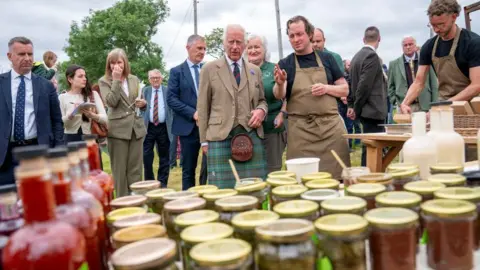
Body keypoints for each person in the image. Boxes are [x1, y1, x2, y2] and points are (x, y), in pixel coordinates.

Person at [273, 16, 350, 179]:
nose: (296, 39)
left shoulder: (327, 59)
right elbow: (279, 95)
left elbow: (345, 89)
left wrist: (327, 88)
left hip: (330, 131)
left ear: (309, 34)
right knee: (301, 181)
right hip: (301, 133)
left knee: (337, 179)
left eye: (299, 34)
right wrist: (280, 83)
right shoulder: (286, 63)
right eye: (292, 36)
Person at [198, 24, 268, 188]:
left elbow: (262, 100)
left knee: (254, 189)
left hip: (251, 136)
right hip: (219, 137)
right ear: (224, 43)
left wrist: (261, 111)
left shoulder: (254, 70)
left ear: (244, 44)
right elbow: (202, 107)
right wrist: (203, 142)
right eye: (231, 42)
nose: (235, 47)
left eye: (239, 42)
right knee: (222, 192)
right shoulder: (209, 69)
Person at [0, 37, 64, 185]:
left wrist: (58, 151)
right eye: (22, 54)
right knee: (8, 205)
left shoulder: (46, 86)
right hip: (5, 157)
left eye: (30, 54)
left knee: (39, 201)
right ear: (9, 56)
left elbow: (57, 122)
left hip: (38, 152)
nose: (27, 58)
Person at [400, 0, 480, 112]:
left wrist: (445, 105)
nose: (437, 29)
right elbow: (418, 82)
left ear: (454, 17)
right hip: (445, 105)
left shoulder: (473, 43)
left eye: (441, 24)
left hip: (473, 105)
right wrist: (405, 103)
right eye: (433, 25)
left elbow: (477, 85)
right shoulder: (429, 46)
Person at [99, 48, 147, 197]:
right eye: (112, 63)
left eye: (119, 62)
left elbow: (139, 100)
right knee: (120, 172)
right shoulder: (104, 81)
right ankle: (122, 204)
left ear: (125, 63)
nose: (115, 66)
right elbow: (111, 102)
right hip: (118, 131)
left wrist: (143, 104)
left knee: (136, 170)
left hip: (135, 129)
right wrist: (117, 81)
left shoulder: (134, 79)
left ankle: (137, 203)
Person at [167, 34, 208, 190]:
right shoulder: (176, 72)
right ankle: (190, 203)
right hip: (188, 128)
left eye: (204, 49)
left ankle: (206, 199)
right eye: (199, 48)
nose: (202, 52)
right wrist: (193, 113)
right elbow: (171, 99)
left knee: (209, 169)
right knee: (188, 170)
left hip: (208, 128)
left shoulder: (208, 69)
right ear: (188, 47)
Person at [246, 34, 287, 173]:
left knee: (272, 170)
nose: (253, 50)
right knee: (251, 171)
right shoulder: (240, 70)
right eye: (249, 47)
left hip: (271, 127)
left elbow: (279, 94)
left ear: (264, 50)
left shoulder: (274, 68)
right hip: (248, 129)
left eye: (257, 47)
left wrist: (280, 84)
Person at [348, 26, 388, 166]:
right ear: (379, 39)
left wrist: (352, 105)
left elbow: (351, 83)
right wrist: (356, 108)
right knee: (373, 149)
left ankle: (368, 175)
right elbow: (364, 87)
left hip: (366, 111)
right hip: (372, 111)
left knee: (369, 147)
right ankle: (369, 176)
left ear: (364, 39)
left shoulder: (356, 57)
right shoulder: (372, 57)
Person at [388, 36, 438, 113]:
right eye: (405, 45)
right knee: (405, 125)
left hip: (425, 106)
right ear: (402, 47)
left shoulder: (426, 61)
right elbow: (390, 87)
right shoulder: (394, 64)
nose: (408, 47)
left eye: (410, 44)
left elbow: (434, 84)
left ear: (415, 45)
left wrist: (434, 104)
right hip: (404, 107)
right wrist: (397, 102)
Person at [59, 65, 108, 143]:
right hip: (70, 139)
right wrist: (70, 115)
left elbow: (105, 119)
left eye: (85, 76)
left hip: (89, 138)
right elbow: (60, 123)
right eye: (80, 76)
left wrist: (93, 116)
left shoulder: (93, 94)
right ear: (70, 79)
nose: (84, 79)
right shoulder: (62, 97)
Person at [142, 69, 171, 187]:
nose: (155, 80)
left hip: (163, 127)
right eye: (153, 78)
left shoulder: (167, 90)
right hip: (148, 127)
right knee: (146, 156)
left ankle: (162, 184)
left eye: (157, 77)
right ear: (149, 79)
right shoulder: (145, 91)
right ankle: (150, 183)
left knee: (164, 157)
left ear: (161, 79)